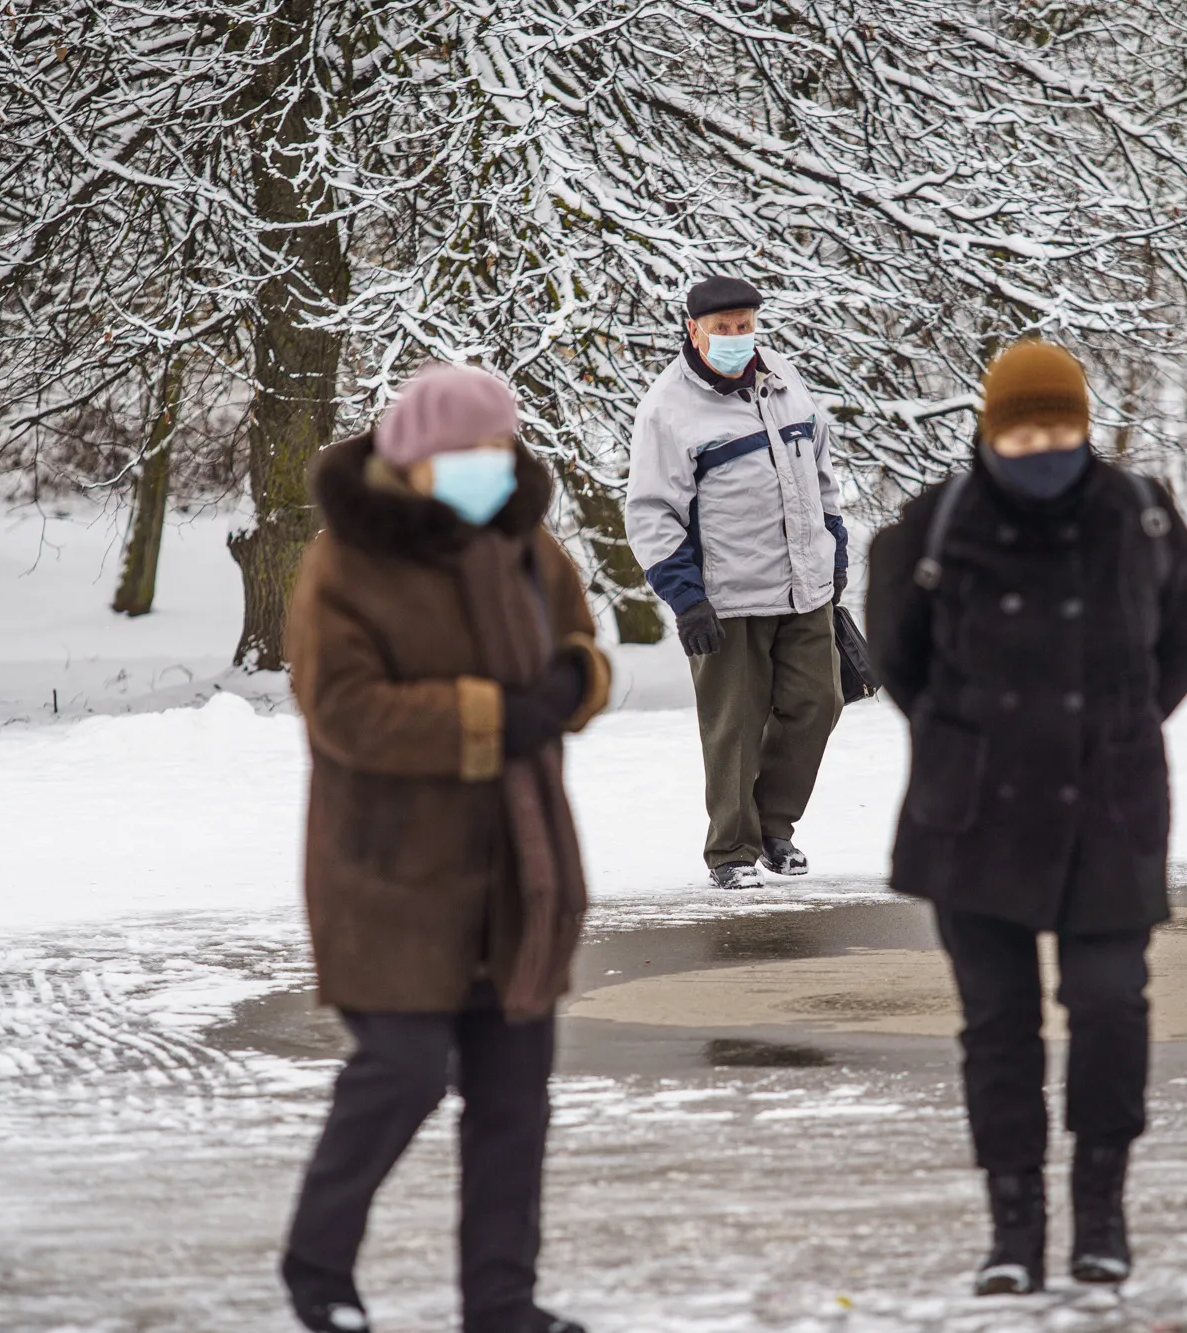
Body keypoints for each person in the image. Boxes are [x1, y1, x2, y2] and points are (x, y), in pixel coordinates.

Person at [864, 341, 1187, 1296]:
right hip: (972, 815)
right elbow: (899, 657)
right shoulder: (935, 525)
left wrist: (1113, 727)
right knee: (999, 1026)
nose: (1043, 443)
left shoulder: (1139, 517)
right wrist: (974, 738)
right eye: (1024, 427)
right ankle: (1013, 1230)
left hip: (1109, 809)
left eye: (1060, 425)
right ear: (990, 427)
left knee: (1110, 1008)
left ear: (1085, 424)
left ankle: (1102, 1214)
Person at [279, 363, 611, 1333]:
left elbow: (582, 646)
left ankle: (502, 1302)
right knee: (404, 1069)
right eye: (464, 453)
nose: (485, 469)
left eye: (498, 450)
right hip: (391, 871)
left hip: (520, 867)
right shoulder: (343, 563)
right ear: (413, 461)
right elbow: (343, 710)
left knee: (514, 1098)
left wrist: (569, 687)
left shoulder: (525, 546)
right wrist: (489, 717)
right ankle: (317, 1268)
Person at [626, 275, 849, 890]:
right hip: (726, 596)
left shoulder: (782, 378)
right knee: (735, 725)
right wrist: (686, 597)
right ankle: (732, 852)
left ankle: (775, 827)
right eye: (721, 328)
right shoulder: (668, 407)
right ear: (693, 330)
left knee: (818, 702)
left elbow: (821, 470)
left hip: (805, 585)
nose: (734, 337)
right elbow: (650, 509)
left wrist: (834, 546)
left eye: (744, 325)